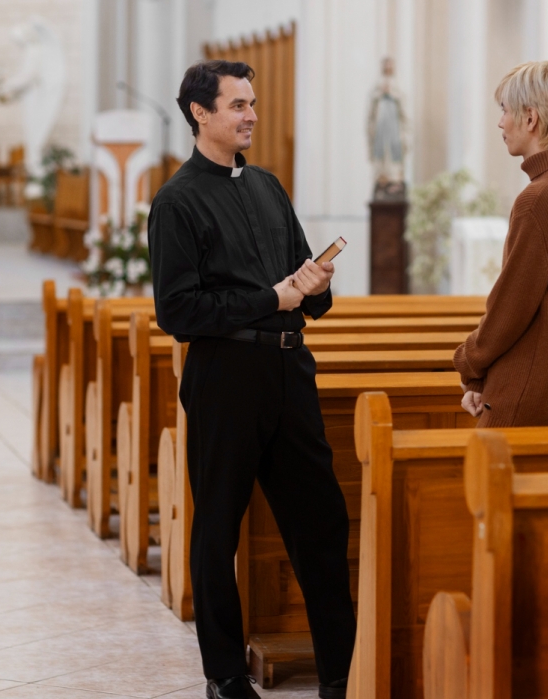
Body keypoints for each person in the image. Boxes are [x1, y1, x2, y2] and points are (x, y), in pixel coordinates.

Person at [148, 60, 355, 699]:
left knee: (322, 524)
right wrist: (273, 297)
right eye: (237, 104)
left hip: (290, 370)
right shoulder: (177, 202)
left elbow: (300, 286)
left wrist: (313, 286)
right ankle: (226, 677)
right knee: (217, 530)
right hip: (226, 377)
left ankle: (342, 672)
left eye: (253, 103)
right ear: (199, 113)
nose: (251, 115)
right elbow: (178, 312)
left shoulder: (267, 186)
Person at [453, 61, 548, 427]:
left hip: (525, 399)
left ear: (530, 118)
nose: (501, 122)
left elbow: (510, 308)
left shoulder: (539, 198)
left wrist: (468, 362)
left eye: (505, 111)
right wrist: (481, 379)